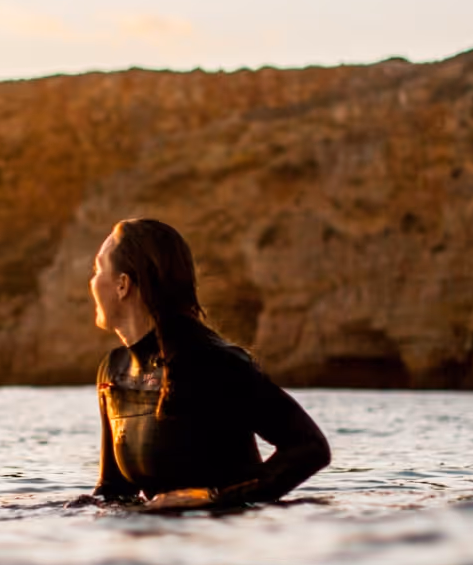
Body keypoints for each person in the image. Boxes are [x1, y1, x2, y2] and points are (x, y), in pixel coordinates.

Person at [69, 219, 329, 513]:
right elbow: (114, 492)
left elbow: (309, 448)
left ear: (122, 285)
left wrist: (212, 497)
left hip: (221, 543)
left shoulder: (214, 363)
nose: (91, 282)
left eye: (97, 269)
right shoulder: (114, 370)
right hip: (151, 549)